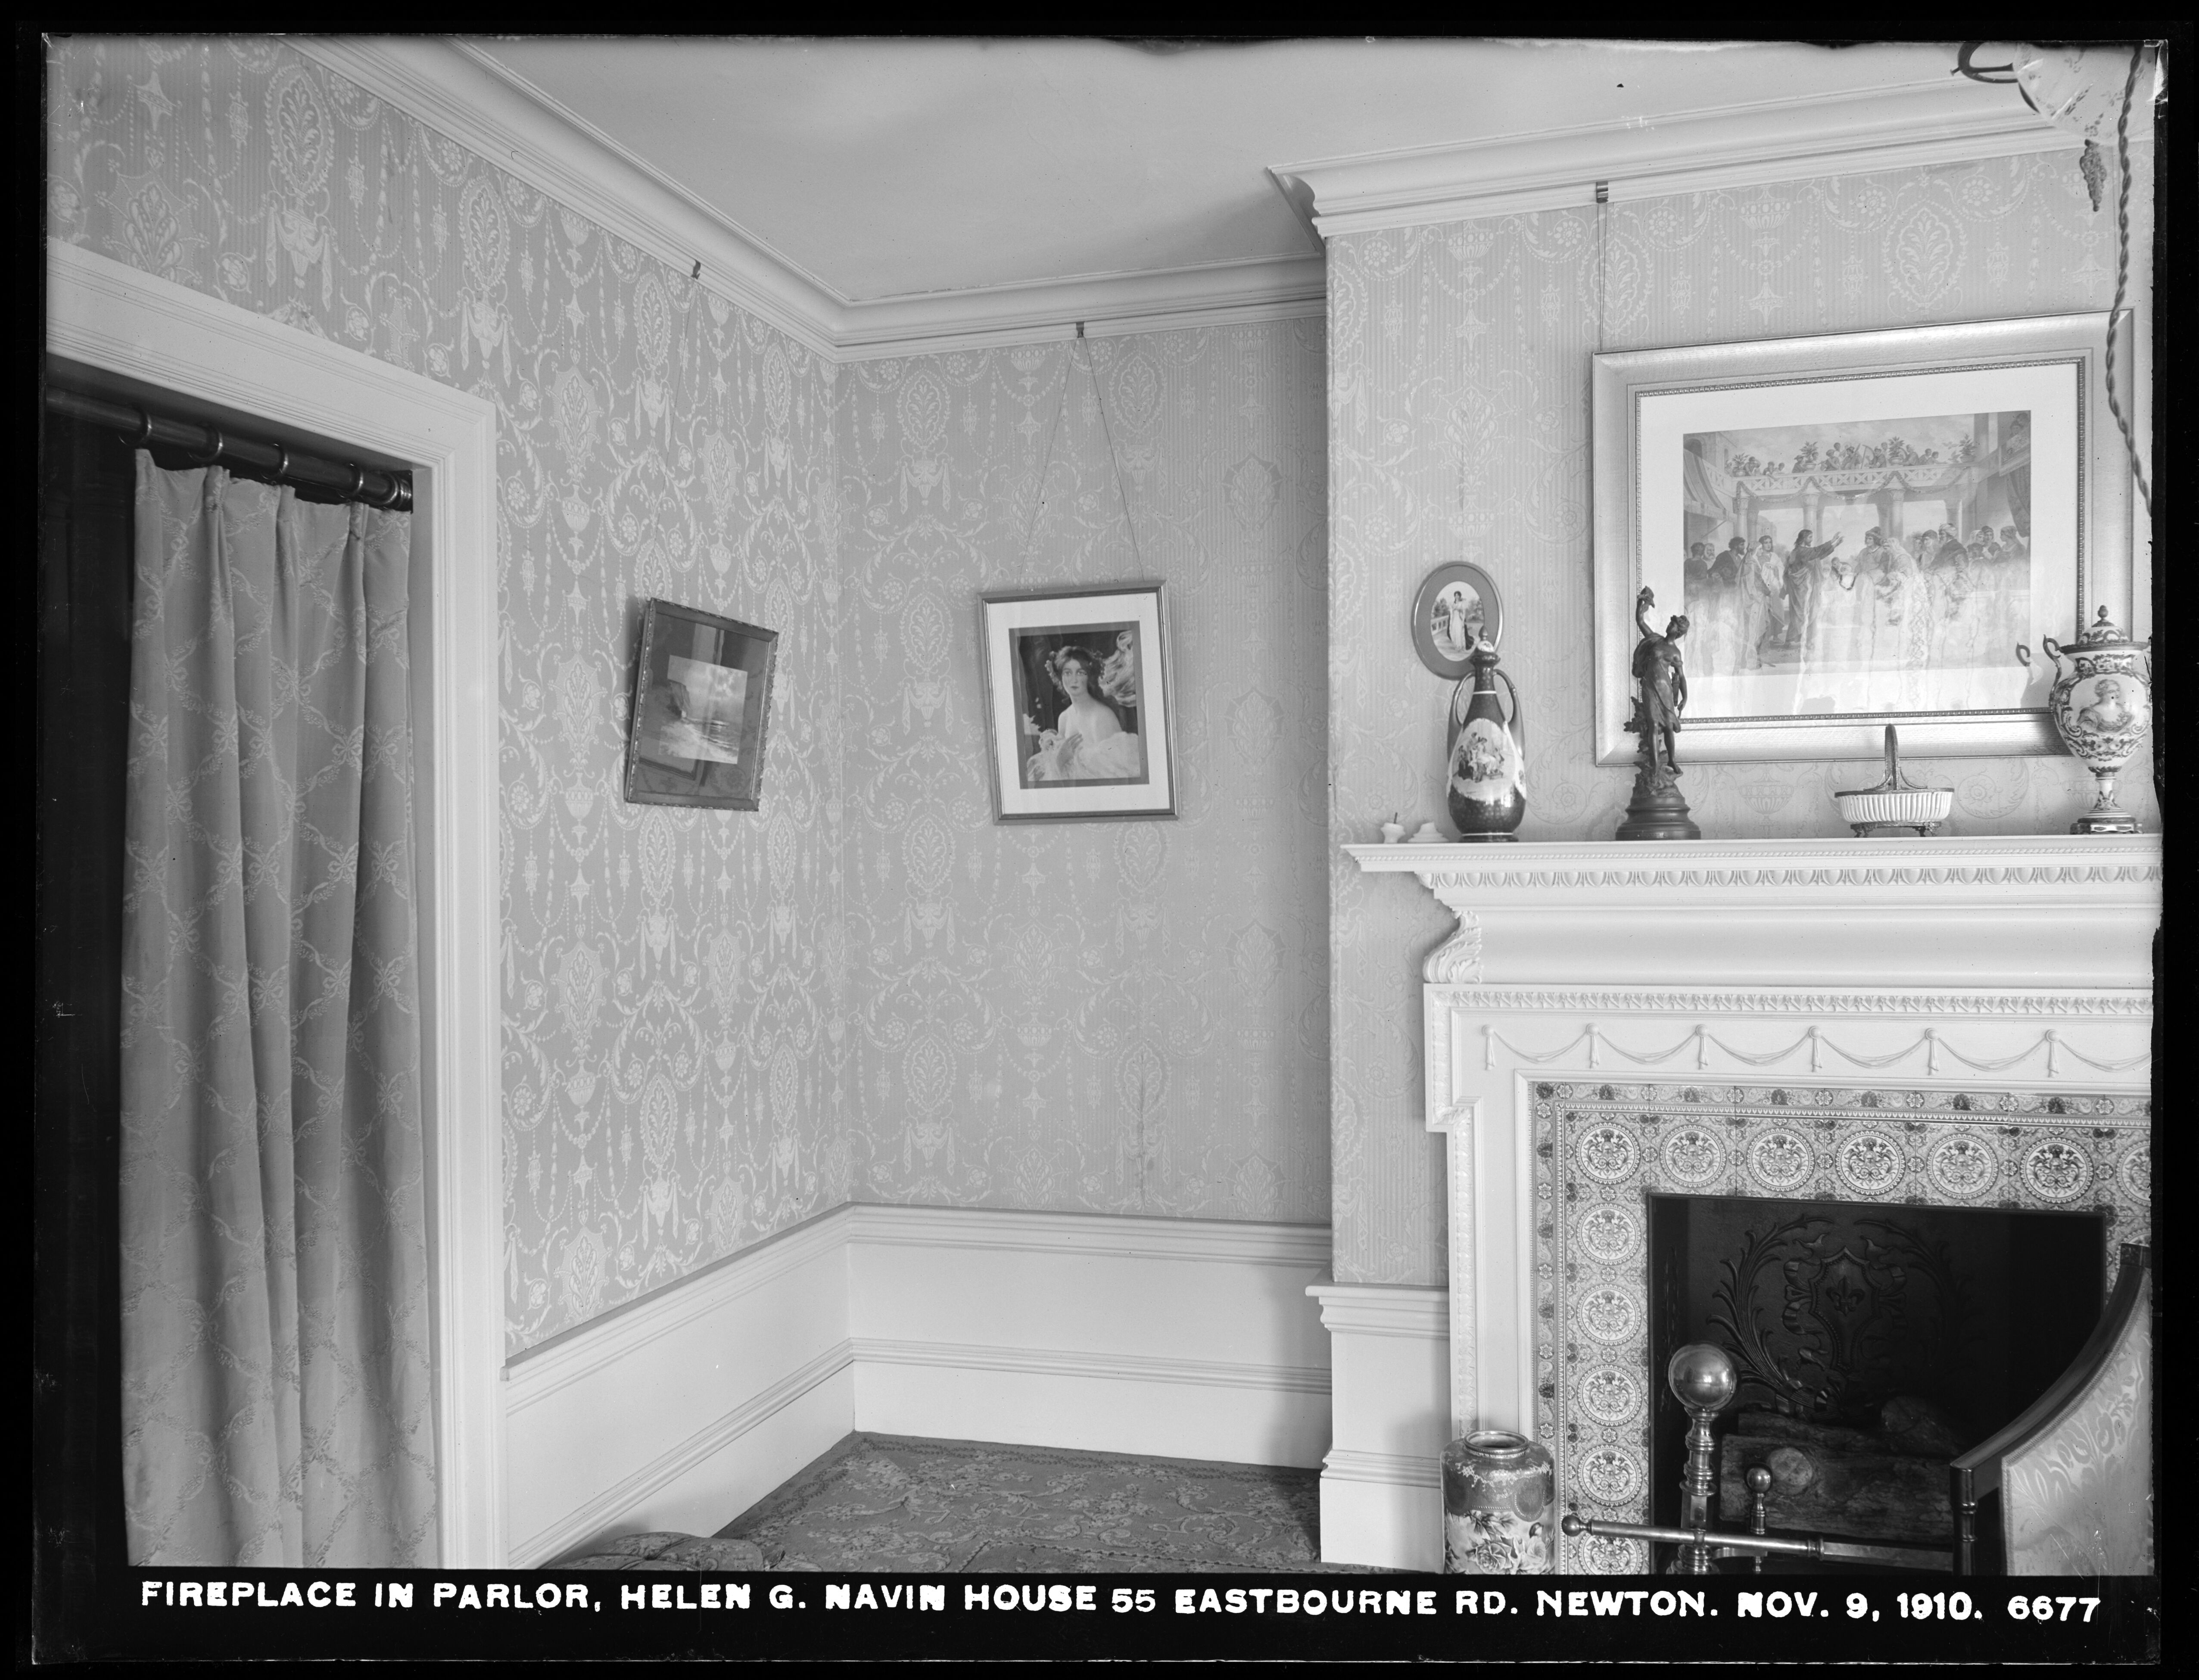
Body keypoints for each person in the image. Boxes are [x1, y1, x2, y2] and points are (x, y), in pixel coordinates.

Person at [1025, 644, 1144, 783]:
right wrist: (1059, 759)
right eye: (1067, 673)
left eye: (1080, 673)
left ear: (1089, 676)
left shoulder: (1102, 718)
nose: (1074, 680)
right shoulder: (1064, 718)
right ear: (1060, 677)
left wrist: (1061, 761)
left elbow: (1113, 781)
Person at [1630, 586, 1690, 778]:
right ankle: (1656, 767)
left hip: (1665, 690)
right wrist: (1643, 602)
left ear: (1678, 633)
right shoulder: (1655, 640)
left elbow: (1681, 677)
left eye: (1673, 625)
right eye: (1671, 622)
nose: (1670, 625)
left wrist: (1685, 698)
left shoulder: (1675, 653)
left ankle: (1672, 760)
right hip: (1650, 687)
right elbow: (1640, 620)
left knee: (1670, 727)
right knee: (1654, 725)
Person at [1782, 528, 1842, 649]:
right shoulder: (1800, 551)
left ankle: (1805, 641)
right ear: (1804, 538)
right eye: (1810, 537)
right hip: (1801, 588)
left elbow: (1818, 555)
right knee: (1802, 613)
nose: (1812, 539)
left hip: (1807, 585)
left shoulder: (1805, 551)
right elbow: (1816, 552)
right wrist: (1832, 541)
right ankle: (1794, 640)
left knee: (1810, 612)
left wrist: (1835, 545)